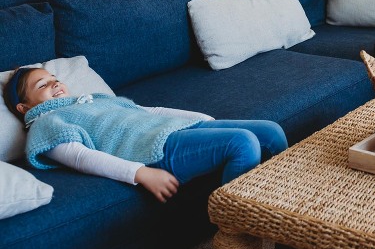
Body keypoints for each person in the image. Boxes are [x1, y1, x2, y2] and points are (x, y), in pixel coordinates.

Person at [3, 67, 288, 202]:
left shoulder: (94, 99)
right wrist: (139, 173)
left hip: (173, 128)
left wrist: (207, 122)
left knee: (271, 131)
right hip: (152, 149)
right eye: (43, 84)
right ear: (23, 105)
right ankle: (236, 239)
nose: (55, 84)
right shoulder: (46, 124)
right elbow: (80, 157)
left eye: (55, 79)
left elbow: (150, 111)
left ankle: (284, 223)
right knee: (243, 142)